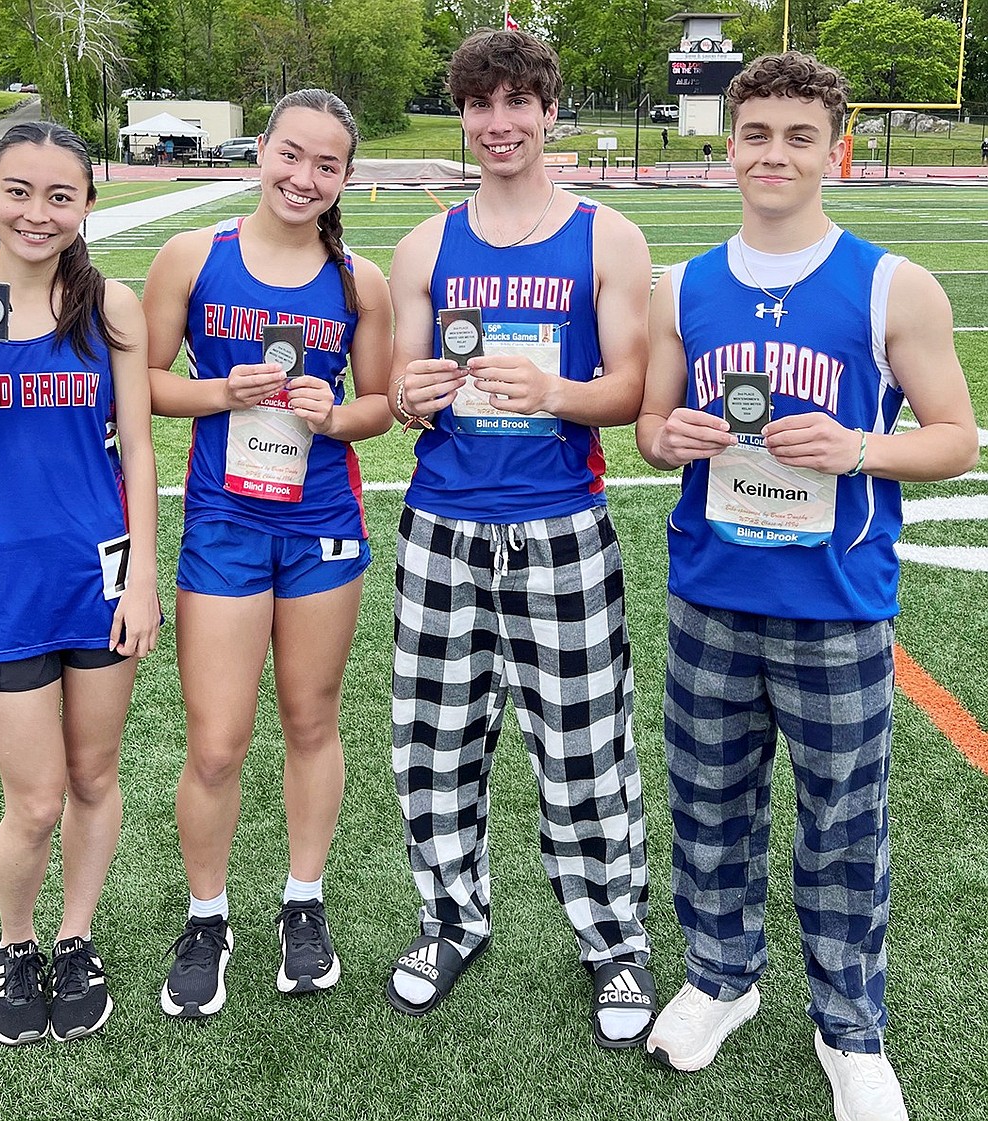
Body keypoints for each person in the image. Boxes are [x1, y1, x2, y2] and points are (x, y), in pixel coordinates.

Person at [636, 52, 977, 1121]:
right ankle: (718, 977)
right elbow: (649, 433)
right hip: (710, 592)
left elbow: (954, 440)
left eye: (795, 136)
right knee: (707, 804)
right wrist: (672, 433)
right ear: (726, 148)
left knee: (841, 823)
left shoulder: (889, 283)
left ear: (832, 150)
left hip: (834, 605)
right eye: (753, 134)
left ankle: (849, 1027)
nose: (771, 154)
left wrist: (858, 447)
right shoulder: (682, 284)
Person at [385, 28, 655, 1049]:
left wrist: (555, 391)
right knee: (434, 746)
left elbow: (628, 389)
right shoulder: (423, 243)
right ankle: (449, 921)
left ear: (547, 112)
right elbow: (407, 389)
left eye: (515, 103)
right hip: (443, 529)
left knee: (585, 752)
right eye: (478, 105)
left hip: (559, 529)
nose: (496, 123)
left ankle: (612, 939)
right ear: (462, 115)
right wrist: (410, 395)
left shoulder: (605, 237)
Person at [0, 122, 160, 1046]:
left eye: (60, 195)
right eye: (20, 191)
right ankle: (15, 947)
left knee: (94, 776)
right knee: (37, 797)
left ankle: (76, 936)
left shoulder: (112, 308)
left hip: (100, 575)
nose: (37, 212)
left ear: (87, 204)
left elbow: (138, 454)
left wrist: (145, 583)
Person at [142, 88, 393, 1017]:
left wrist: (339, 414)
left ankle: (303, 901)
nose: (304, 177)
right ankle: (207, 914)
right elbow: (148, 385)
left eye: (327, 165)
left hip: (323, 522)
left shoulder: (357, 281)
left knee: (310, 721)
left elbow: (382, 405)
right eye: (292, 154)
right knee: (214, 743)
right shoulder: (193, 258)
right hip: (224, 523)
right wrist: (221, 392)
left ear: (344, 178)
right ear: (261, 153)